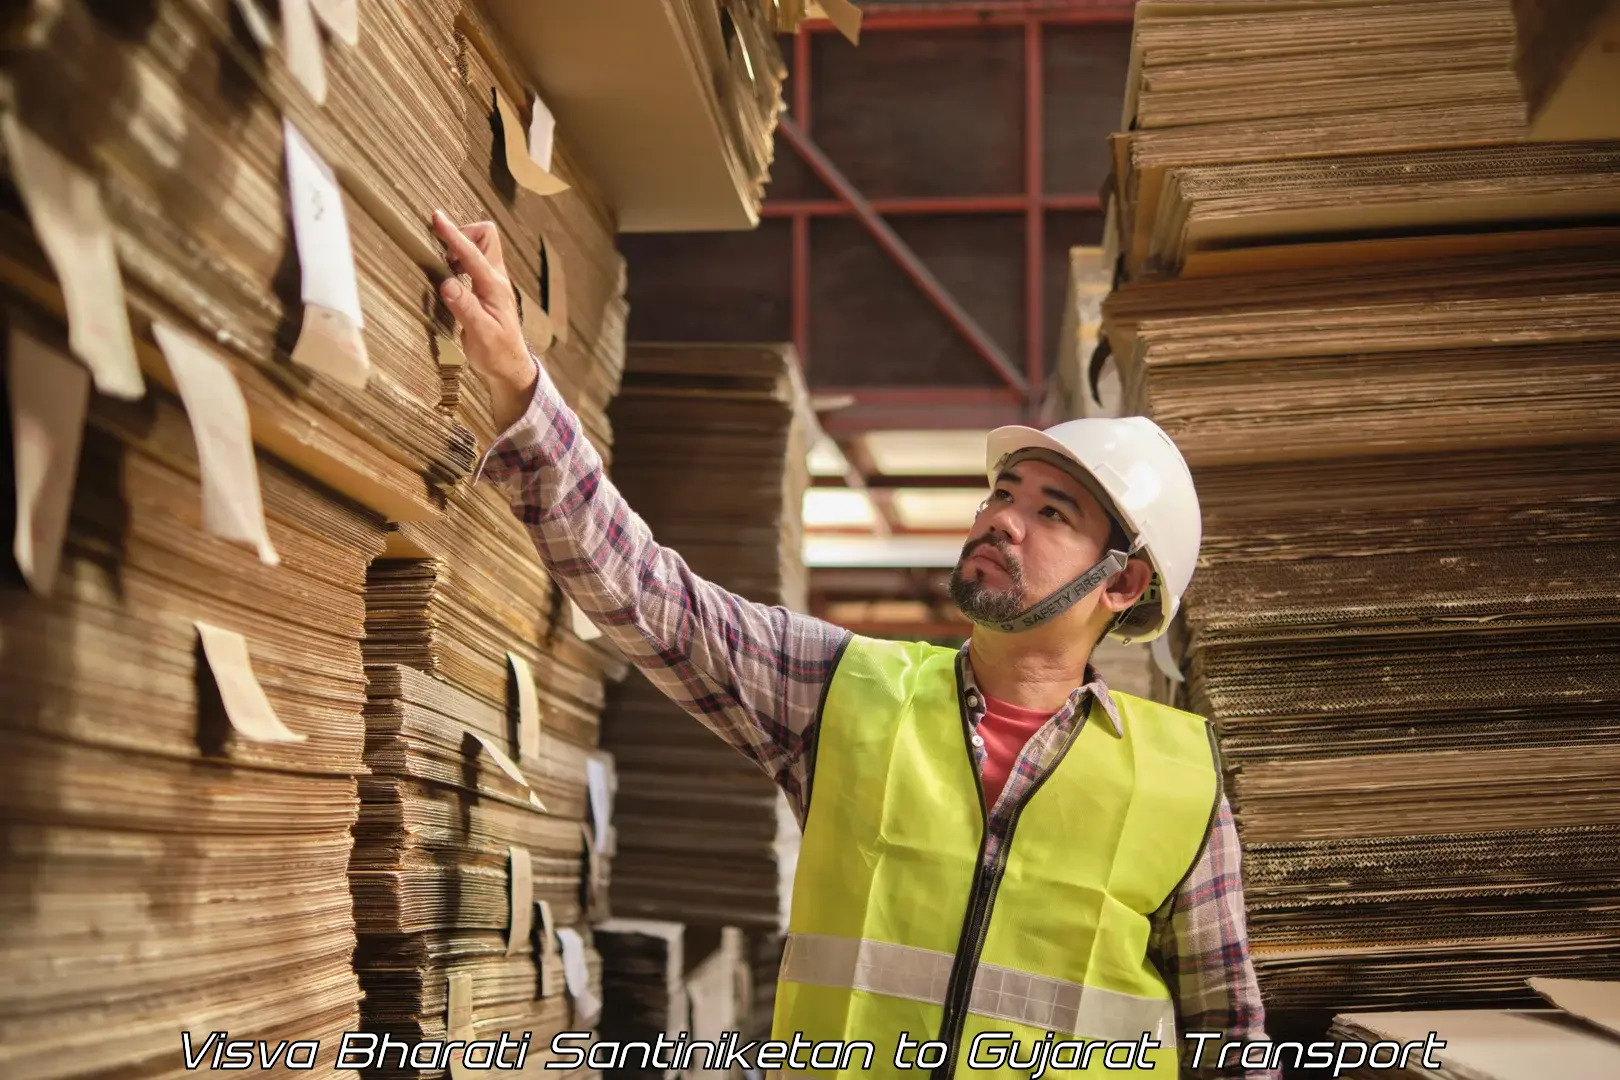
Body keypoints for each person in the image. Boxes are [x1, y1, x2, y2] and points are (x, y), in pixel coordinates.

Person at [430, 211, 1279, 1079]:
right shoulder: (847, 690)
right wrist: (517, 384)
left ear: (1123, 585)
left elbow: (1230, 1039)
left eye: (1050, 513)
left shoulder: (1179, 781)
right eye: (1002, 494)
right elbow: (652, 597)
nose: (1001, 521)